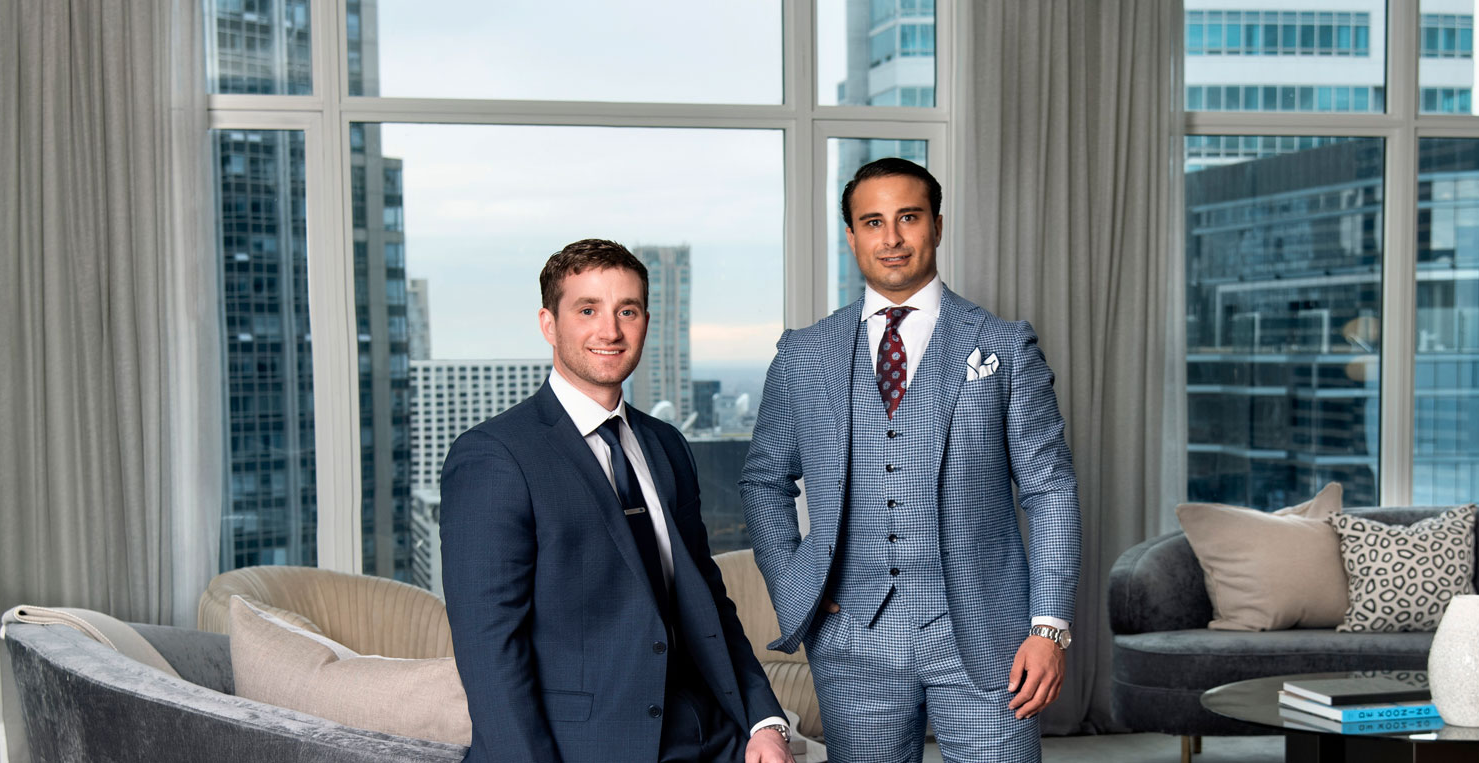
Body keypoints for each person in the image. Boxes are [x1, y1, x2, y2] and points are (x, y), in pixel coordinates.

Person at [741, 158, 1082, 762]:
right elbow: (764, 480)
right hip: (852, 637)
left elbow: (1049, 488)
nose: (891, 238)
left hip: (989, 633)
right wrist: (800, 586)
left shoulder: (1003, 345)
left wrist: (1048, 627)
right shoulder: (804, 353)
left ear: (937, 226)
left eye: (908, 218)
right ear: (852, 237)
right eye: (873, 222)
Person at [441, 239, 793, 763]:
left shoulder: (667, 445)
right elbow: (489, 648)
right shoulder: (495, 456)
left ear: (645, 322)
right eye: (587, 310)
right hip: (583, 747)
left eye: (626, 311)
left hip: (706, 734)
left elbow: (707, 600)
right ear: (548, 324)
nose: (610, 331)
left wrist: (764, 722)